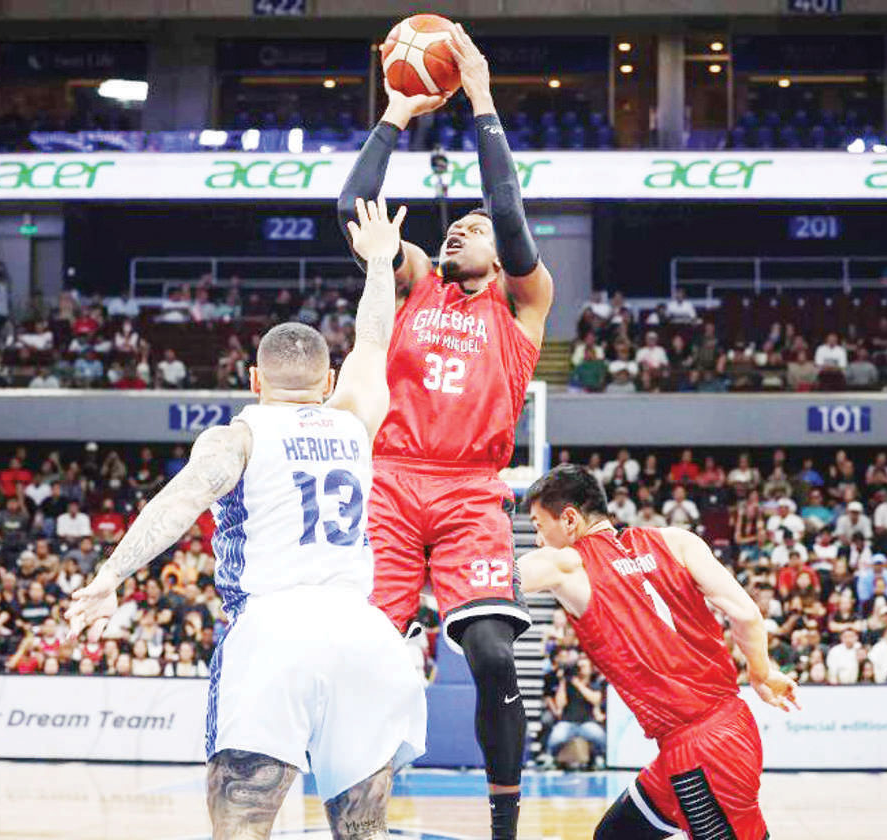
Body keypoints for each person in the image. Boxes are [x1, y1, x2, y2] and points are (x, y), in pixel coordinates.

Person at [66, 198, 425, 840]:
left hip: (273, 631)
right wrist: (378, 262)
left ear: (254, 376)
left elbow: (177, 502)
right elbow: (374, 340)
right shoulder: (354, 421)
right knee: (365, 830)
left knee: (242, 824)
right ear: (328, 378)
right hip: (365, 632)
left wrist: (109, 576)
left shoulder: (240, 434)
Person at [336, 28, 554, 840]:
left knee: (496, 655)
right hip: (389, 479)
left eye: (475, 228)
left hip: (470, 492)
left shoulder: (526, 302)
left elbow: (507, 209)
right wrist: (394, 114)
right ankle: (356, 812)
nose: (463, 229)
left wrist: (484, 97)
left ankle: (503, 826)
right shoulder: (420, 281)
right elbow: (350, 214)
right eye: (453, 225)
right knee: (358, 654)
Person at [519, 465, 798, 840]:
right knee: (615, 836)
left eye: (538, 526)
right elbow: (746, 614)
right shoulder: (676, 541)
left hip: (701, 753)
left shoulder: (569, 563)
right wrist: (762, 674)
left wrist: (411, 573)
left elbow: (479, 583)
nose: (538, 540)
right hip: (724, 729)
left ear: (569, 519)